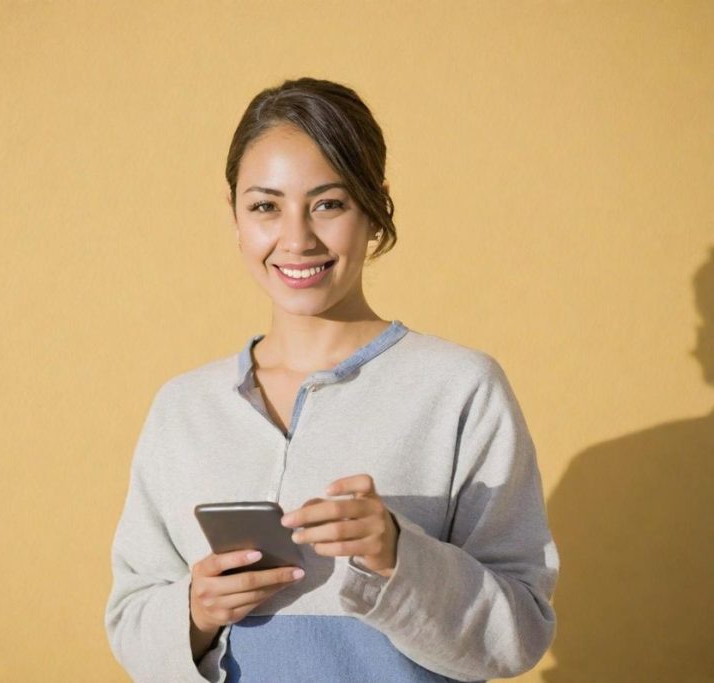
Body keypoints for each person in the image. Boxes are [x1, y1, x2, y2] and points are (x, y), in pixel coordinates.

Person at [105, 77, 559, 683]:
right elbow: (130, 619)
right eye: (265, 205)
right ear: (236, 217)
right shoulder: (184, 407)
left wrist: (400, 556)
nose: (296, 239)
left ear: (375, 207)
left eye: (328, 203)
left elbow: (520, 633)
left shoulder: (459, 388)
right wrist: (194, 610)